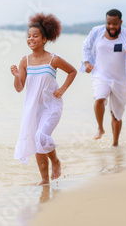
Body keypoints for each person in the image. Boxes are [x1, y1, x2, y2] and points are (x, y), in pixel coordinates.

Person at [11, 13, 77, 185]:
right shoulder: (24, 61)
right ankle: (44, 179)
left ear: (44, 38)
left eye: (35, 36)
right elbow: (19, 88)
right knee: (36, 142)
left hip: (51, 107)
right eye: (28, 36)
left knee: (41, 136)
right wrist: (17, 76)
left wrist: (62, 89)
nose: (31, 39)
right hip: (33, 108)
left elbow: (72, 71)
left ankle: (55, 161)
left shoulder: (53, 59)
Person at [81, 9, 126, 146]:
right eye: (109, 23)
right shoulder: (97, 32)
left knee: (116, 115)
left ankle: (115, 144)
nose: (111, 27)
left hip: (121, 80)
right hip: (100, 75)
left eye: (115, 24)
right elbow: (86, 47)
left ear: (120, 22)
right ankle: (100, 128)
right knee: (99, 98)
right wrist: (86, 62)